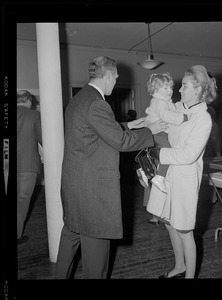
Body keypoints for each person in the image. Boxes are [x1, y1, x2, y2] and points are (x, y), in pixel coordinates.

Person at [54, 56, 167, 279]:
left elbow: (95, 130)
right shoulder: (98, 103)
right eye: (115, 78)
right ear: (107, 76)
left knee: (70, 237)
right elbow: (121, 142)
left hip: (76, 186)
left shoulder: (79, 99)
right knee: (96, 256)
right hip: (92, 192)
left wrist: (129, 125)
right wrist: (150, 131)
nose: (115, 82)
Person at [146, 65, 217, 278]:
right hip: (167, 175)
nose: (179, 90)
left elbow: (189, 154)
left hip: (184, 179)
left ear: (198, 89)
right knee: (169, 224)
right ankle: (179, 266)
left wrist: (162, 155)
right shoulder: (177, 107)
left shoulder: (203, 118)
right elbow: (160, 124)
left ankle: (189, 276)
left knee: (185, 230)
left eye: (184, 86)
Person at [138, 72, 187, 193]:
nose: (169, 90)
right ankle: (159, 178)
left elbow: (170, 108)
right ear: (156, 89)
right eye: (165, 88)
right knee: (168, 154)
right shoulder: (160, 102)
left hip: (156, 133)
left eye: (170, 87)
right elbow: (165, 114)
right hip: (160, 132)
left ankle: (144, 170)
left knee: (156, 156)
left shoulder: (161, 101)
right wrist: (182, 118)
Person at [17, 90, 42, 245]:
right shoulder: (34, 115)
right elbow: (44, 138)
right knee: (21, 201)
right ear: (28, 101)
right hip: (27, 165)